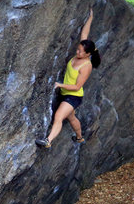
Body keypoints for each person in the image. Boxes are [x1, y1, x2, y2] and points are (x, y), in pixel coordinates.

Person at [35, 8, 100, 148]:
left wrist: (59, 85)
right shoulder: (84, 48)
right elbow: (84, 33)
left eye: (80, 52)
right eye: (77, 49)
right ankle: (79, 138)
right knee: (71, 117)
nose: (77, 52)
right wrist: (90, 17)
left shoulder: (86, 66)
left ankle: (48, 141)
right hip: (66, 94)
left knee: (58, 116)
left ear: (88, 54)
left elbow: (77, 87)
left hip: (74, 96)